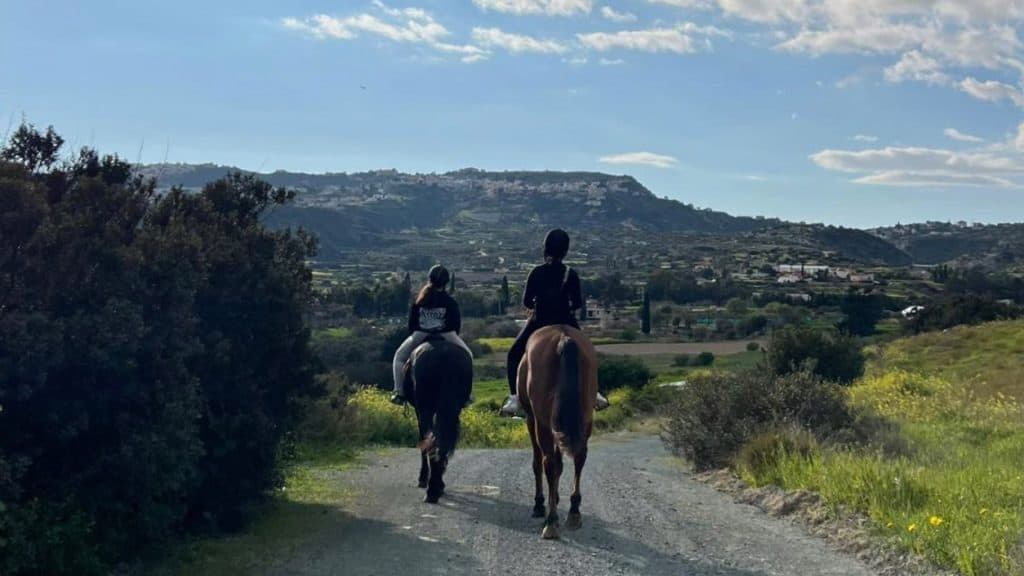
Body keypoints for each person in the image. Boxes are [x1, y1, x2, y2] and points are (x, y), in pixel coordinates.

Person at [501, 229, 609, 416]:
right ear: (565, 251)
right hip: (566, 321)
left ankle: (515, 399)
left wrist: (538, 303)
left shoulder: (536, 272)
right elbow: (577, 303)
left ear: (546, 249)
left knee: (513, 355)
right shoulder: (571, 273)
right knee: (588, 352)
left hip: (540, 321)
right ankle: (596, 393)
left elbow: (526, 301)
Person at [391, 265, 473, 405]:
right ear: (446, 282)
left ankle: (399, 392)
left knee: (399, 357)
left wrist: (417, 335)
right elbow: (455, 324)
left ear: (430, 279)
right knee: (468, 356)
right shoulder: (450, 302)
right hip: (447, 334)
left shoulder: (419, 300)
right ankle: (467, 395)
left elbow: (412, 324)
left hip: (420, 334)